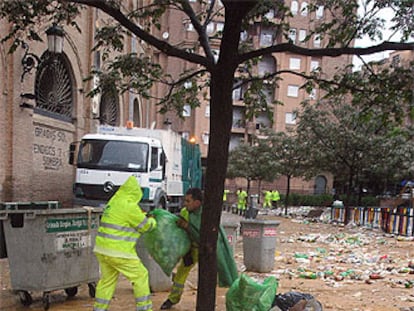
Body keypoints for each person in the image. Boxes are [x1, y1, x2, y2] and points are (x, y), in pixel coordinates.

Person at [160, 188, 238, 310]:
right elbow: (180, 233)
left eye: (188, 201)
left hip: (207, 250)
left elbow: (207, 236)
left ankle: (236, 298)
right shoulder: (185, 213)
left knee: (220, 272)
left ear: (197, 203)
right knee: (181, 274)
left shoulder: (206, 215)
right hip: (192, 249)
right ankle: (172, 299)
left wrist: (188, 227)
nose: (185, 204)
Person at [93, 176, 157, 311]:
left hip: (102, 250)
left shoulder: (114, 202)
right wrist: (152, 220)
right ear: (135, 192)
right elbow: (145, 227)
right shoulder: (129, 206)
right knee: (141, 275)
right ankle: (144, 308)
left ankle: (99, 308)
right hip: (119, 251)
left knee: (106, 281)